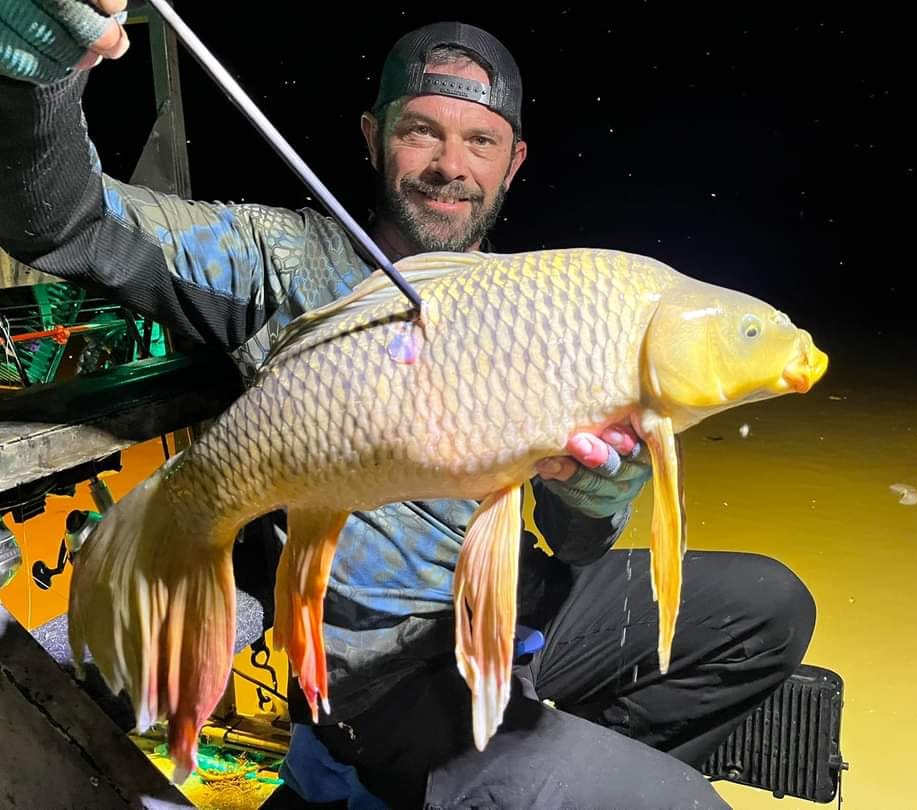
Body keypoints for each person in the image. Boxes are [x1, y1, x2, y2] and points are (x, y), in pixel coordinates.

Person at [0, 5, 816, 809]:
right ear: (372, 134)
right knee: (680, 806)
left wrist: (596, 490)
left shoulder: (547, 299)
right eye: (422, 130)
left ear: (514, 160)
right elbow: (63, 219)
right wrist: (39, 80)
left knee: (769, 609)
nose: (449, 164)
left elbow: (574, 544)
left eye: (481, 141)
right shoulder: (275, 260)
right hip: (381, 675)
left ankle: (553, 764)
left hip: (508, 600)